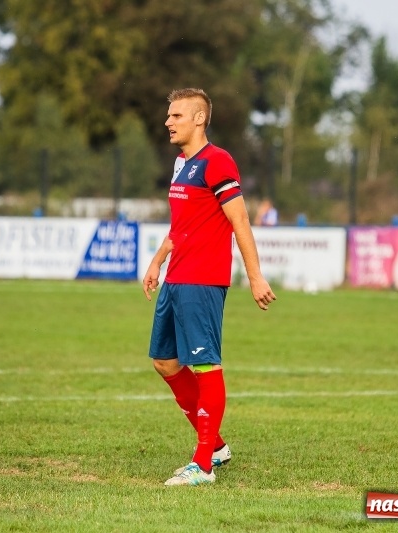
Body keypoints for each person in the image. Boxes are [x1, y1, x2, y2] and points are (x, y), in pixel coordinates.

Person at [142, 88, 277, 486]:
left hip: (202, 279)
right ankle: (215, 445)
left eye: (176, 116)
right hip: (176, 276)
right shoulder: (181, 164)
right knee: (164, 361)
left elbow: (240, 221)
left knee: (205, 365)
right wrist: (158, 259)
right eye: (169, 116)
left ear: (199, 119)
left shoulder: (217, 161)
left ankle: (202, 466)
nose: (168, 122)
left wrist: (255, 276)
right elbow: (181, 224)